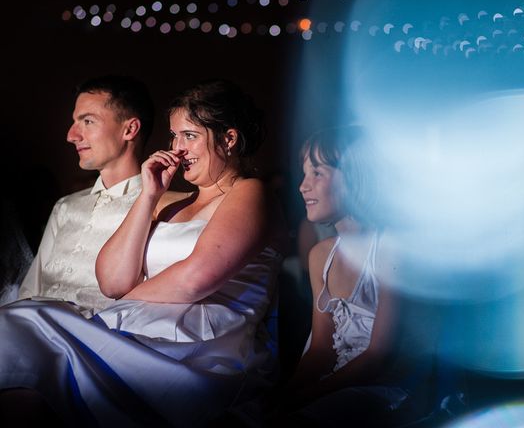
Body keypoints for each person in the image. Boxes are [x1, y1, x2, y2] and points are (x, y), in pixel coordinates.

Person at [0, 79, 286, 426]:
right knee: (23, 382)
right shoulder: (168, 201)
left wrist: (119, 306)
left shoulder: (250, 192)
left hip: (196, 350)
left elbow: (194, 280)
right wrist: (148, 195)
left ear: (228, 138)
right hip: (134, 334)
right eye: (174, 136)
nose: (178, 149)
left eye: (190, 136)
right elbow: (112, 281)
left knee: (25, 320)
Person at [268, 125, 439, 427]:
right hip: (338, 380)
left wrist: (309, 396)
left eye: (317, 173)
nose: (302, 186)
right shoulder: (321, 255)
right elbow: (321, 349)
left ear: (357, 178)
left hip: (386, 388)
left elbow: (378, 356)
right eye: (304, 173)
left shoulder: (390, 251)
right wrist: (285, 393)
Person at [17, 75, 155, 314]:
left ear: (129, 129)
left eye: (88, 121)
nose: (71, 136)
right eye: (75, 122)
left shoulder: (157, 208)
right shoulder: (65, 207)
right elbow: (29, 291)